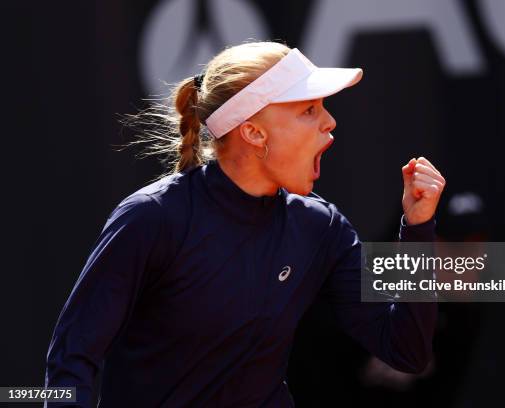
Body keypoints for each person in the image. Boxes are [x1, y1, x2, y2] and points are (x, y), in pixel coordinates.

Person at [45, 41, 446, 407]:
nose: (330, 123)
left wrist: (418, 230)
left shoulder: (320, 227)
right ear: (254, 132)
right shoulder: (152, 217)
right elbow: (71, 358)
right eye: (309, 110)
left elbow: (406, 351)